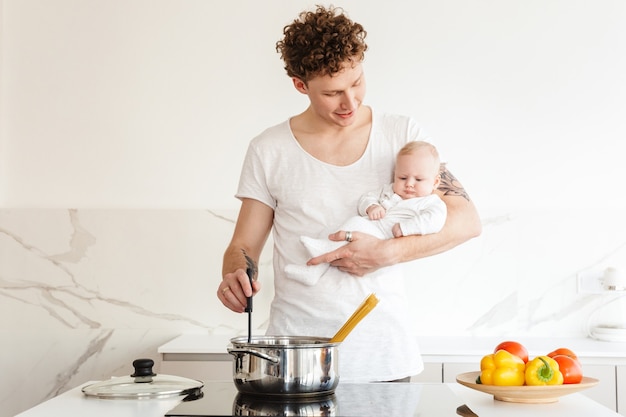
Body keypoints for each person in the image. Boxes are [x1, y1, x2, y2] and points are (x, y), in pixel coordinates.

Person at [218, 5, 481, 382]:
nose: (351, 103)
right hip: (295, 358)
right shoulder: (268, 148)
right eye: (333, 93)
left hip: (384, 358)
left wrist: (385, 253)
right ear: (299, 84)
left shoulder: (402, 134)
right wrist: (234, 274)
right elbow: (242, 246)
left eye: (357, 82)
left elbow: (466, 221)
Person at [285, 140, 447, 286]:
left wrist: (406, 228)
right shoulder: (389, 190)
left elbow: (435, 221)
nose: (409, 184)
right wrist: (371, 207)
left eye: (418, 180)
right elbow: (366, 198)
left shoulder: (431, 203)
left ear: (435, 182)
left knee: (356, 223)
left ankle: (321, 250)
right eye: (403, 178)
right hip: (369, 228)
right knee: (335, 231)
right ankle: (312, 270)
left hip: (382, 238)